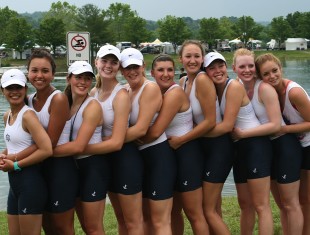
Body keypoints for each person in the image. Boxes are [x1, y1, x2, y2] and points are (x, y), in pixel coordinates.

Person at [232, 49, 304, 235]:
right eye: (242, 66)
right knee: (280, 204)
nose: (247, 70)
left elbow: (274, 126)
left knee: (290, 204)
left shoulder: (264, 89)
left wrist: (243, 134)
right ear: (235, 68)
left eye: (250, 66)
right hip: (266, 148)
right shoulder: (237, 86)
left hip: (284, 145)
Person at [204, 51, 274, 235]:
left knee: (261, 205)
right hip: (239, 148)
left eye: (220, 66)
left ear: (227, 68)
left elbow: (227, 126)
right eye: (212, 68)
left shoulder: (233, 87)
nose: (218, 71)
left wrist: (192, 135)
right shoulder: (215, 88)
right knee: (245, 204)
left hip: (255, 146)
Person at [139, 53, 209, 234]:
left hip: (187, 154)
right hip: (170, 154)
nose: (166, 74)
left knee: (194, 213)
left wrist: (122, 140)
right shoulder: (153, 91)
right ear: (151, 73)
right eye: (160, 70)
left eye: (170, 70)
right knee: (173, 212)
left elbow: (155, 132)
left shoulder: (175, 92)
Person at [83, 45, 144, 235]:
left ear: (118, 67)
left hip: (125, 160)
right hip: (105, 160)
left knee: (133, 222)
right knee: (121, 220)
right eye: (105, 61)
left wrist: (80, 149)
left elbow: (117, 142)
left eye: (114, 62)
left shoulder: (121, 95)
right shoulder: (93, 93)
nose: (108, 66)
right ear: (96, 62)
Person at [120, 48, 177, 235]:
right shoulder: (127, 90)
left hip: (159, 158)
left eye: (136, 66)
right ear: (121, 70)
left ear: (144, 66)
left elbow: (142, 129)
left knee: (160, 221)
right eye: (128, 68)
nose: (132, 71)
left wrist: (109, 142)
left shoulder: (150, 88)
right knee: (145, 219)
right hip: (141, 159)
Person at [255, 53, 308, 235]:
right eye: (266, 74)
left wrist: (284, 129)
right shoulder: (271, 92)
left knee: (304, 200)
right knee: (292, 202)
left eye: (275, 71)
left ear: (280, 68)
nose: (272, 76)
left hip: (308, 145)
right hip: (296, 144)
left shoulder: (294, 92)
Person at [27, 49, 78, 235]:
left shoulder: (58, 99)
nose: (39, 75)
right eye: (34, 70)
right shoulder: (29, 100)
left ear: (53, 74)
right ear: (28, 74)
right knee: (47, 225)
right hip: (39, 168)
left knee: (62, 227)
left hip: (60, 169)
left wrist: (17, 158)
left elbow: (49, 142)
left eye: (45, 71)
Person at [53, 60, 106, 234]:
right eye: (78, 77)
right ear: (69, 78)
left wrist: (43, 153)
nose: (83, 82)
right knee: (83, 224)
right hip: (73, 169)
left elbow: (79, 146)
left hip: (93, 168)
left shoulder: (92, 106)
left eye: (87, 78)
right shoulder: (65, 102)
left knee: (92, 227)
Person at [0, 69, 52, 235]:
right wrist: (4, 153)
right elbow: (17, 143)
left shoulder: (28, 116)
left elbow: (46, 149)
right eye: (10, 88)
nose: (14, 92)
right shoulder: (7, 115)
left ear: (25, 89)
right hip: (14, 185)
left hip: (30, 183)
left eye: (18, 88)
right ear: (2, 90)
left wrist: (15, 165)